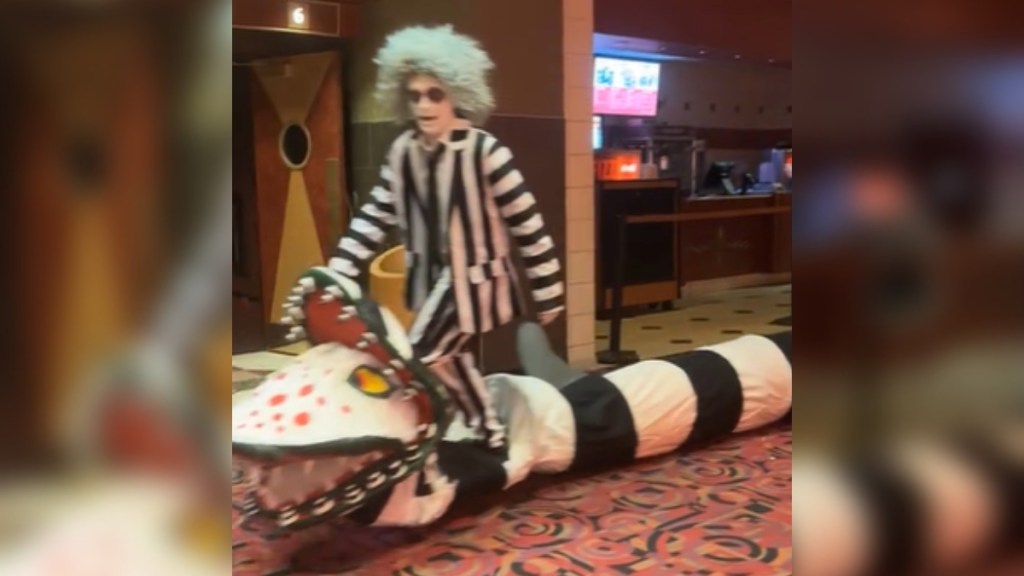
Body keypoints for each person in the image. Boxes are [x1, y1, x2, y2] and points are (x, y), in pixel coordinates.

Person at [330, 25, 564, 450]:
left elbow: (526, 221)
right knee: (446, 358)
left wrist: (548, 290)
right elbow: (376, 213)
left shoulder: (486, 151)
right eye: (415, 95)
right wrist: (339, 269)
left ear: (457, 93)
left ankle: (409, 438)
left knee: (418, 353)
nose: (424, 104)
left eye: (434, 94)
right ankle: (489, 429)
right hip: (430, 280)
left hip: (475, 281)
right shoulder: (403, 152)